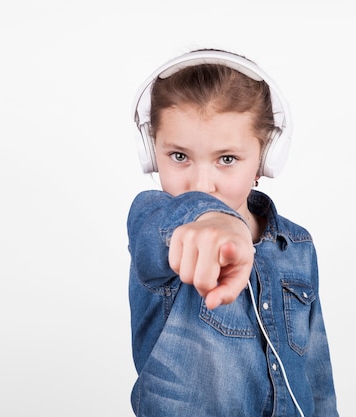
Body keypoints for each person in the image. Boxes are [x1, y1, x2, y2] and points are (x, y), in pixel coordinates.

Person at [127, 48, 339, 417]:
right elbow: (157, 228)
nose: (200, 184)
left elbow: (317, 380)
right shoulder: (156, 220)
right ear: (152, 152)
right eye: (179, 156)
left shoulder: (298, 247)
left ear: (264, 158)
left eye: (226, 159)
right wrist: (210, 219)